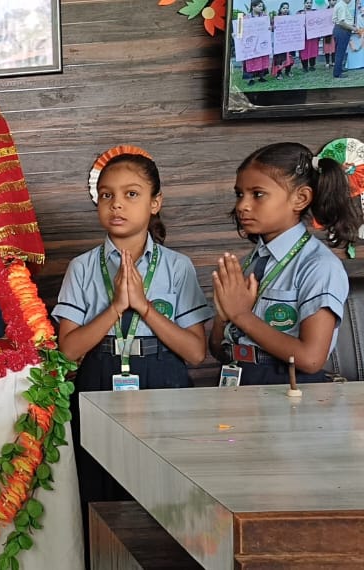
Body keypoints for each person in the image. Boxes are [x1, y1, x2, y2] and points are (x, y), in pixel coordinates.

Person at [53, 150, 213, 528]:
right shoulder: (82, 266)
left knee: (165, 491)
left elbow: (195, 352)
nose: (117, 205)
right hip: (98, 379)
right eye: (107, 196)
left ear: (155, 202)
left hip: (163, 381)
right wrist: (115, 307)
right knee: (99, 488)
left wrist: (142, 307)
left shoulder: (177, 267)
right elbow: (69, 350)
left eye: (131, 194)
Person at [210, 142, 362, 385]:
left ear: (300, 198)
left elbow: (311, 359)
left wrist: (240, 314)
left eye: (257, 194)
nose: (242, 206)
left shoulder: (319, 266)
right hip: (237, 379)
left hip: (287, 386)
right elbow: (218, 350)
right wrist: (223, 316)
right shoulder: (249, 262)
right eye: (240, 194)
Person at [245, 1, 273, 85]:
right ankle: (251, 79)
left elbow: (269, 28)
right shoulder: (246, 17)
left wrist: (270, 28)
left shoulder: (265, 17)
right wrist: (235, 33)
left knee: (262, 59)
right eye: (259, 6)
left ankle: (261, 77)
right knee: (251, 60)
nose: (261, 8)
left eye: (262, 6)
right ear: (253, 7)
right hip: (251, 43)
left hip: (262, 42)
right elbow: (239, 28)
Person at [332, 0, 360, 78]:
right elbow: (342, 22)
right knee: (340, 52)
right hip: (342, 30)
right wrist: (353, 28)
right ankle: (337, 73)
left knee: (341, 51)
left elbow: (344, 21)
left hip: (340, 30)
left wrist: (351, 25)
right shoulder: (342, 5)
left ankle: (339, 68)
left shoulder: (341, 4)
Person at [300, 0, 321, 72]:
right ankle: (304, 67)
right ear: (304, 4)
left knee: (313, 50)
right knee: (304, 51)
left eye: (310, 3)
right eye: (307, 3)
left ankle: (312, 65)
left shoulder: (315, 12)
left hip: (313, 35)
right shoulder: (300, 13)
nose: (309, 4)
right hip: (304, 36)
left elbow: (319, 22)